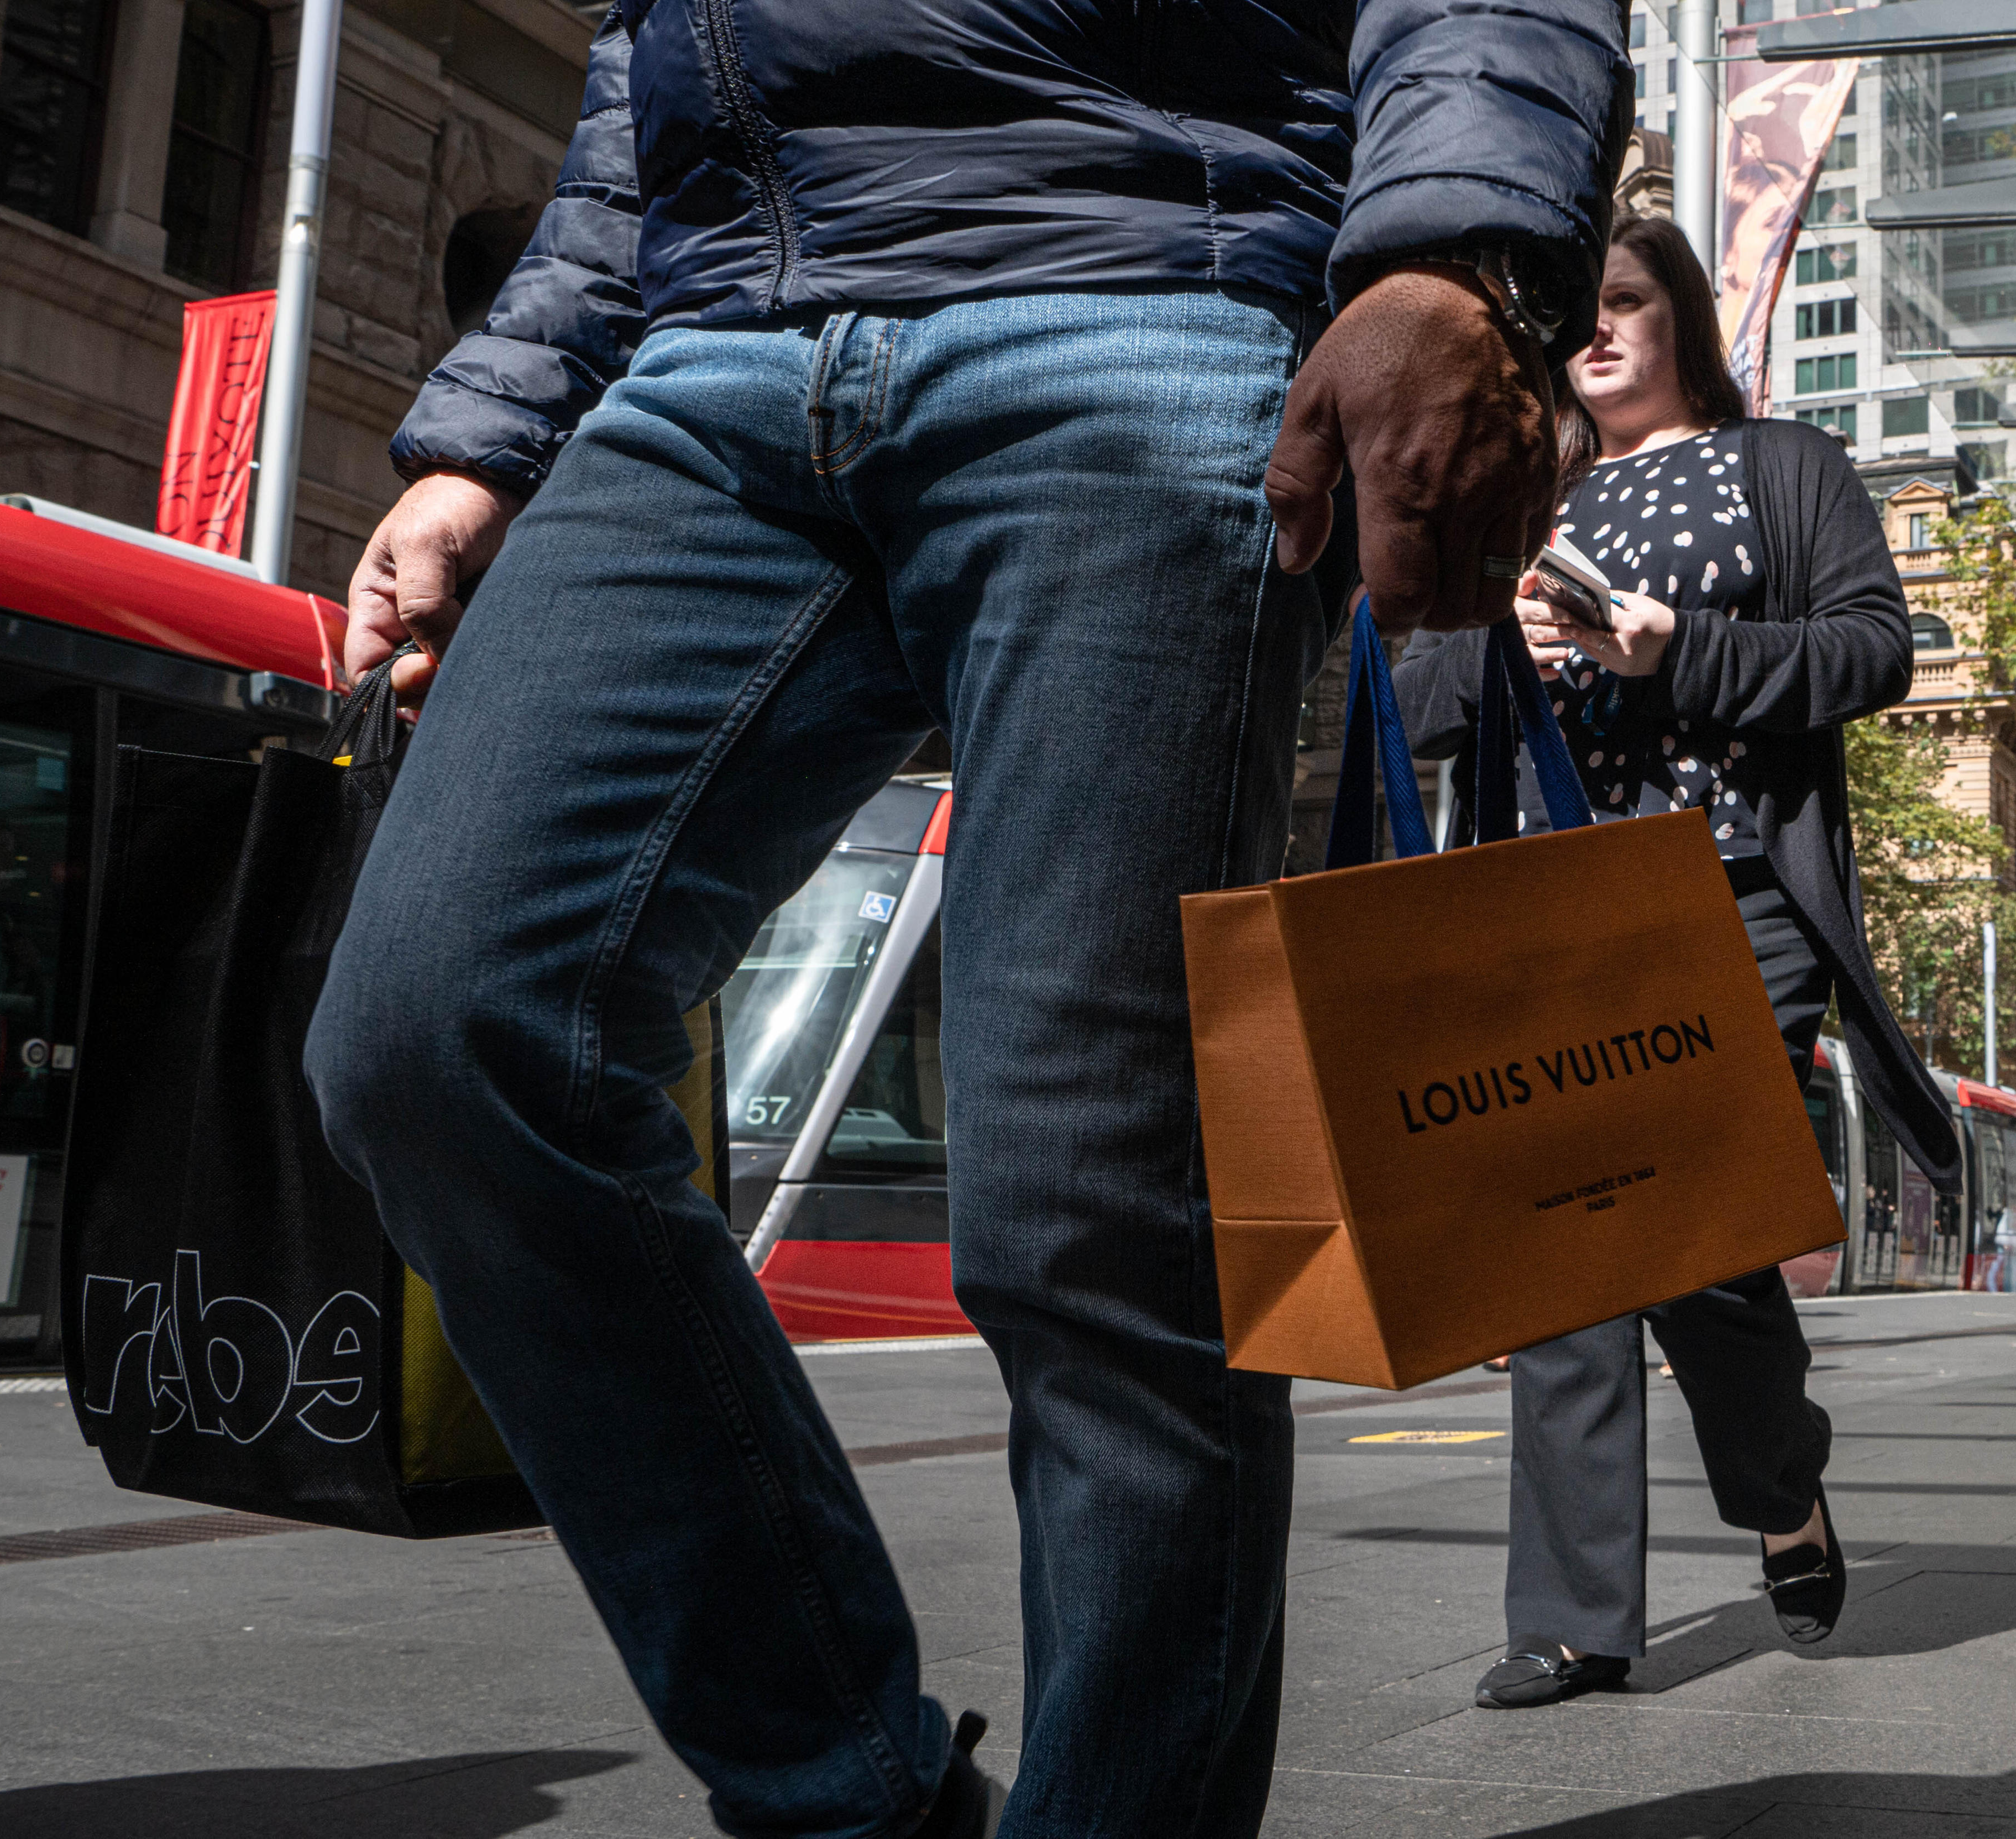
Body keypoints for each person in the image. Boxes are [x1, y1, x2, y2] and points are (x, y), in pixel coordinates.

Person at [298, 7, 1633, 1835]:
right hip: (707, 358)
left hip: (1147, 277)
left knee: (1097, 1208)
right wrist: (491, 429)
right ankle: (849, 1801)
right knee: (438, 1030)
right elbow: (651, 67)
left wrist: (1458, 263)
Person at [1393, 213, 1959, 1709]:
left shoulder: (1786, 467)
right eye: (1573, 312)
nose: (1594, 331)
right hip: (1554, 912)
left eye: (1626, 301)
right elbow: (1423, 700)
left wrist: (1681, 647)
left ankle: (1784, 1480)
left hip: (1731, 893)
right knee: (1569, 1253)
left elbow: (1872, 650)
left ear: (1684, 320)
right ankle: (1574, 1618)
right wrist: (1500, 631)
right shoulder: (1533, 499)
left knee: (1704, 1233)